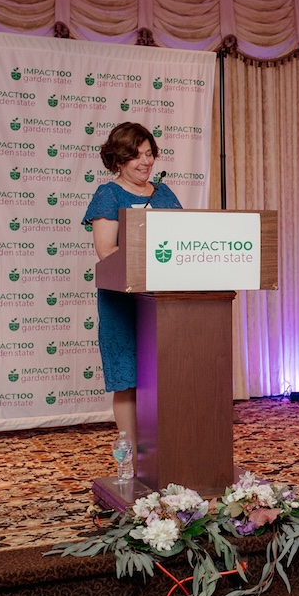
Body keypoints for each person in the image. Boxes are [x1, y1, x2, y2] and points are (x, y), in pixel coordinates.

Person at [82, 122, 182, 452]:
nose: (146, 162)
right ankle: (134, 456)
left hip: (165, 301)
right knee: (128, 381)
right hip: (123, 302)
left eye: (149, 154)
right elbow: (106, 251)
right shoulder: (108, 194)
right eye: (137, 155)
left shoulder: (164, 193)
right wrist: (147, 256)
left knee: (165, 377)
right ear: (119, 159)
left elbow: (184, 240)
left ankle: (166, 452)